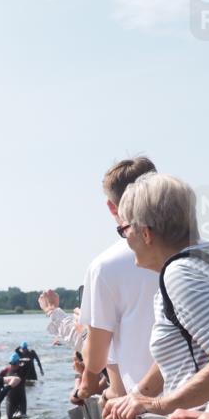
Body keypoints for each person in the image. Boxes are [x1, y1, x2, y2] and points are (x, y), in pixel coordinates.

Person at [104, 174, 209, 419]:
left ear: (146, 233)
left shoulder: (182, 275)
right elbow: (184, 350)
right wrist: (139, 396)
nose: (125, 239)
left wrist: (161, 405)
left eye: (124, 229)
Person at [76, 157, 160, 401]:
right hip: (205, 404)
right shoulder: (205, 250)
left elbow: (95, 359)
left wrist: (83, 333)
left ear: (113, 208)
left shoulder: (104, 267)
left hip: (140, 409)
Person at [0, 353, 28, 419]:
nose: (13, 365)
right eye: (11, 363)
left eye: (15, 363)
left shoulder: (23, 369)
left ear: (19, 362)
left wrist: (21, 360)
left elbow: (29, 361)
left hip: (21, 399)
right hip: (10, 399)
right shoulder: (6, 370)